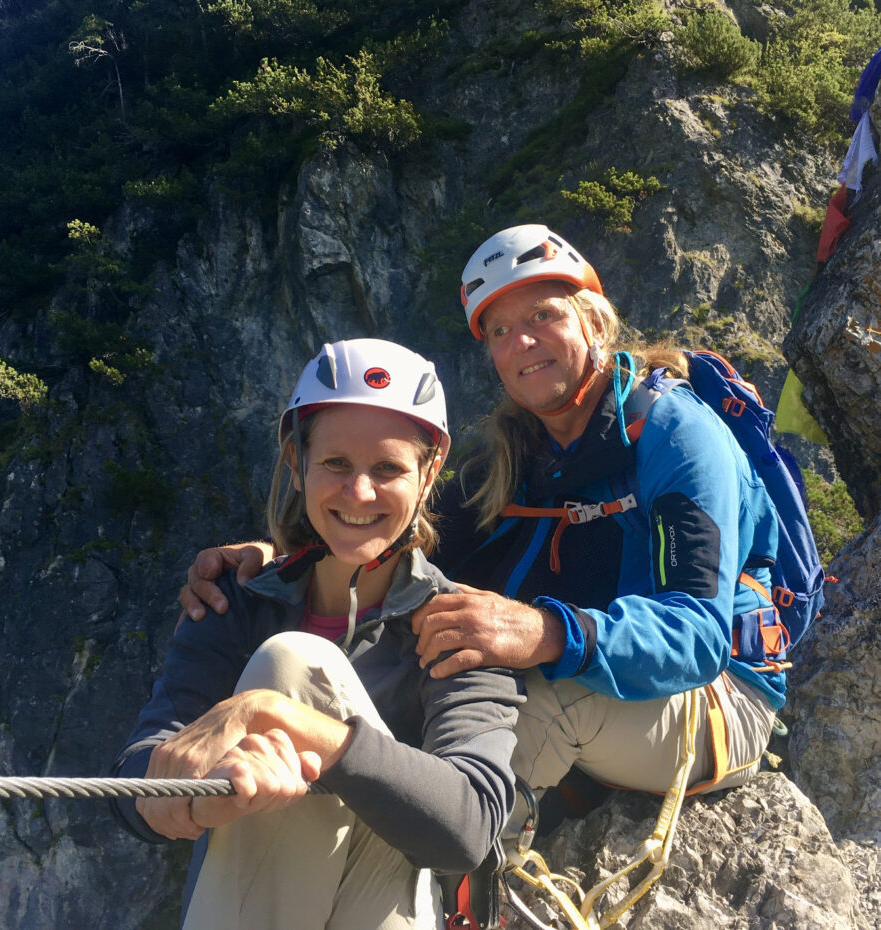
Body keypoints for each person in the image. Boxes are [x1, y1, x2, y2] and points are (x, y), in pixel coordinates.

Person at [179, 223, 781, 818]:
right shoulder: (519, 453)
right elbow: (384, 529)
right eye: (500, 330)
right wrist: (269, 561)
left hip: (718, 698)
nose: (522, 342)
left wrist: (545, 633)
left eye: (543, 315)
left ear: (594, 322)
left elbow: (698, 637)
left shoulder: (678, 435)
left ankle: (464, 892)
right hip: (613, 687)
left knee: (533, 698)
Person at [111, 338, 523, 930]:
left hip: (394, 900)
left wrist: (279, 716)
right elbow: (133, 775)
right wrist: (179, 798)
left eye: (388, 469)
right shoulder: (236, 603)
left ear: (429, 474)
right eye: (335, 464)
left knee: (292, 662)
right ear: (297, 462)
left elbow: (468, 828)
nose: (359, 493)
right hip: (262, 892)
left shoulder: (459, 625)